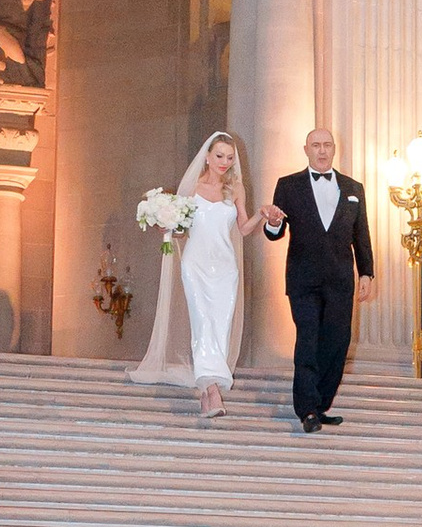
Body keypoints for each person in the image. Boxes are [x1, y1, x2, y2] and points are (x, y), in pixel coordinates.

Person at [128, 130, 254, 419]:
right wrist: (166, 226)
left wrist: (262, 214)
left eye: (229, 158)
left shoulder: (235, 189)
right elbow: (182, 231)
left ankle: (207, 390)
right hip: (195, 264)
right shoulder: (192, 188)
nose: (224, 162)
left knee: (219, 326)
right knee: (202, 324)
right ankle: (212, 389)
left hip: (225, 267)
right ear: (208, 157)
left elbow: (244, 228)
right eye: (219, 156)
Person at [262, 126, 373, 432]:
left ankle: (320, 404)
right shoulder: (288, 185)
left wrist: (367, 271)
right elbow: (276, 232)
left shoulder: (354, 188)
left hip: (340, 279)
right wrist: (272, 224)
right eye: (316, 145)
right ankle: (307, 408)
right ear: (306, 149)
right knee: (308, 338)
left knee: (337, 342)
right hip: (303, 279)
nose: (322, 150)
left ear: (334, 149)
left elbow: (361, 235)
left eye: (327, 145)